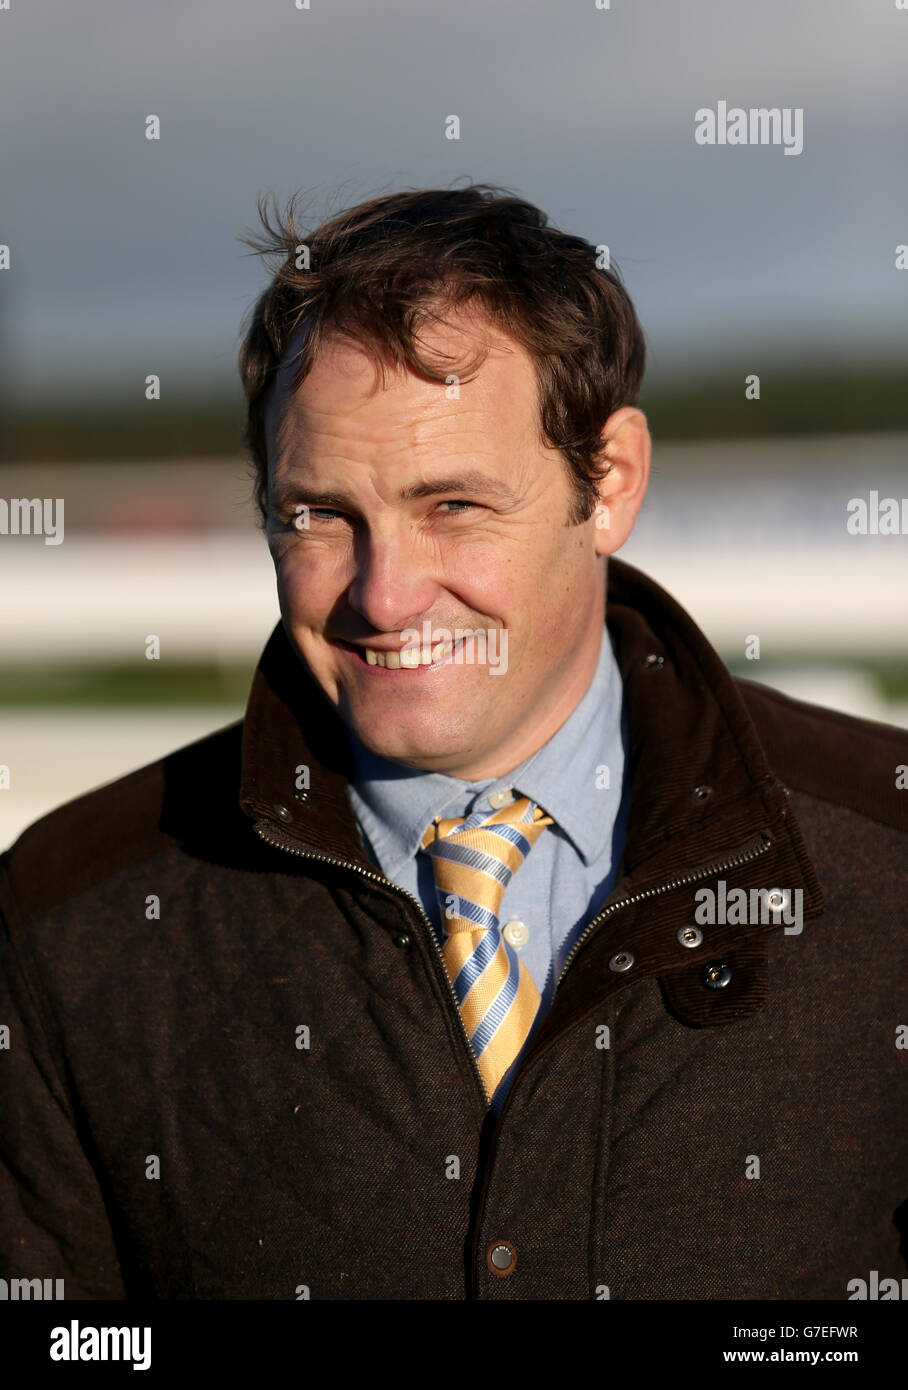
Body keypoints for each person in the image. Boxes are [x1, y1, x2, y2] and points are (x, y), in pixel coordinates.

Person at [1, 184, 905, 1301]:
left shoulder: (884, 866)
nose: (383, 596)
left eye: (454, 507)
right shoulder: (65, 927)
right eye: (318, 514)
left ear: (608, 480)